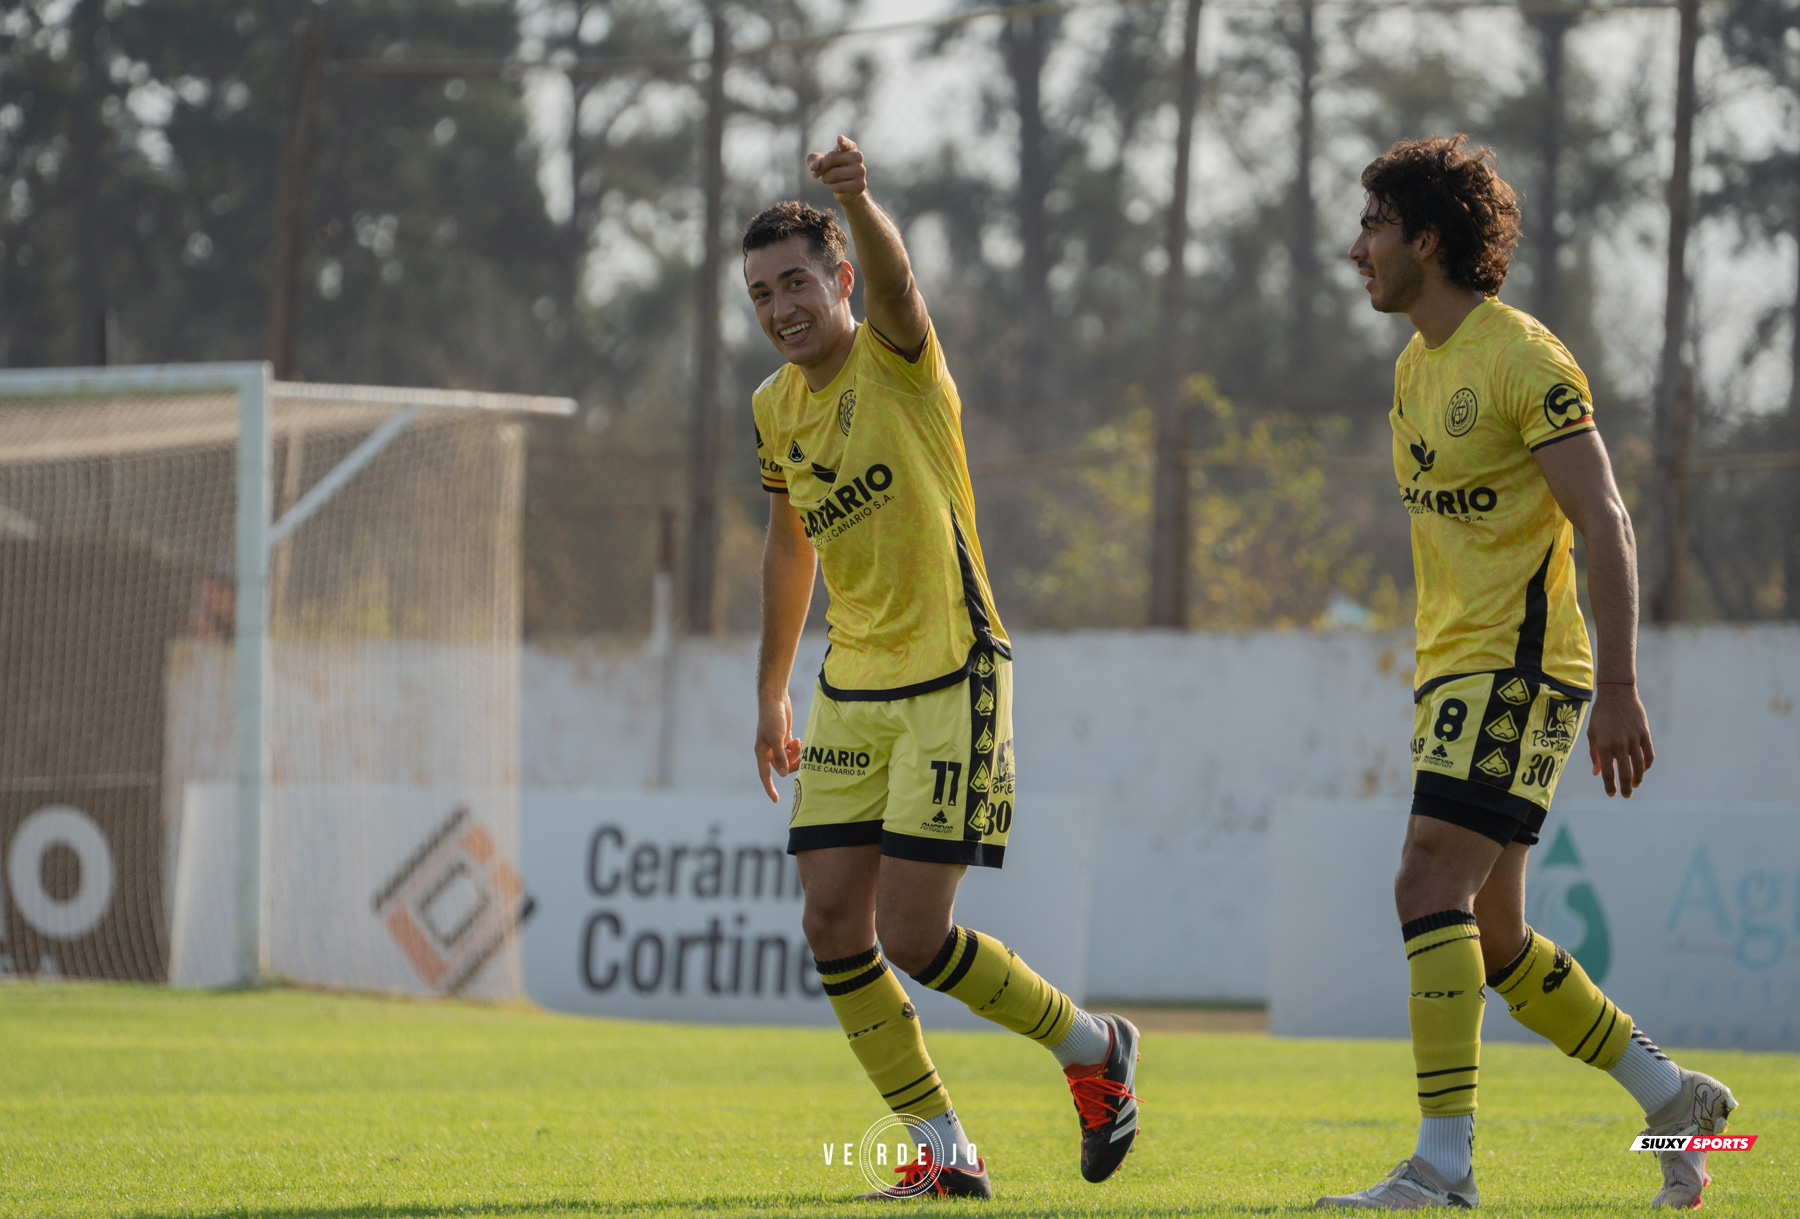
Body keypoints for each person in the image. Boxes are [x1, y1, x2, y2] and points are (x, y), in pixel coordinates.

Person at [1317, 136, 1737, 1211]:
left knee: (1424, 885)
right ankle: (1669, 1095)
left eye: (1372, 225)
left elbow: (1606, 517)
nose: (1354, 246)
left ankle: (1443, 1169)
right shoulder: (1413, 366)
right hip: (1454, 671)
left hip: (1518, 668)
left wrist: (1623, 685)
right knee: (1494, 938)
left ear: (1428, 238)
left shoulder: (1524, 357)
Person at [747, 137, 1139, 1201]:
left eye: (796, 282)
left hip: (952, 673)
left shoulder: (895, 357)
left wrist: (858, 202)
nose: (779, 307)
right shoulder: (773, 407)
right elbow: (791, 546)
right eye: (759, 292)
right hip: (848, 687)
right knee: (832, 922)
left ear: (838, 282)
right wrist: (773, 686)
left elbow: (902, 282)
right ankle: (941, 1149)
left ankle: (1095, 1049)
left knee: (914, 935)